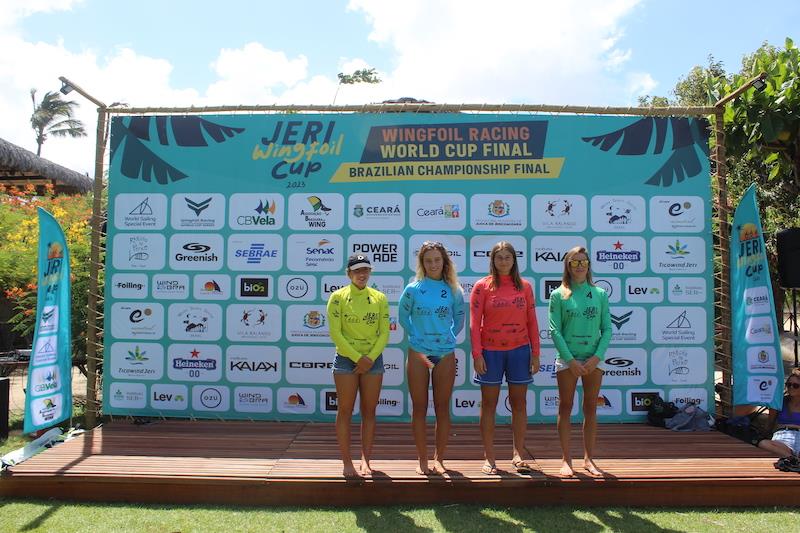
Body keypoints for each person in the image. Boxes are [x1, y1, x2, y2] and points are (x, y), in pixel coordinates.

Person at [470, 241, 540, 475]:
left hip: (519, 351)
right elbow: (474, 323)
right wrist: (477, 354)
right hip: (490, 352)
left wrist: (536, 354)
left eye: (507, 257)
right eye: (499, 257)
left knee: (519, 404)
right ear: (492, 260)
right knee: (489, 405)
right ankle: (489, 458)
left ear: (514, 260)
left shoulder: (526, 286)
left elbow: (532, 321)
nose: (503, 261)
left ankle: (518, 454)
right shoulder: (482, 286)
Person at [399, 240, 465, 475]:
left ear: (444, 261)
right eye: (428, 261)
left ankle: (440, 459)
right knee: (419, 408)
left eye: (437, 260)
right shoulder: (413, 289)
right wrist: (417, 337)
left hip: (445, 354)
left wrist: (447, 337)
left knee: (442, 407)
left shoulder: (454, 290)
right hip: (418, 353)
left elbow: (459, 319)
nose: (433, 264)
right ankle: (422, 459)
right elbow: (402, 317)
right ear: (422, 263)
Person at [548, 245, 611, 478]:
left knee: (590, 408)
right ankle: (566, 460)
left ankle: (589, 459)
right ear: (567, 265)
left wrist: (597, 357)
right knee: (565, 407)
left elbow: (607, 329)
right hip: (568, 360)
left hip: (594, 359)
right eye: (574, 262)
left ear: (589, 265)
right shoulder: (558, 294)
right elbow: (555, 331)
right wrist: (570, 360)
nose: (579, 266)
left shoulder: (600, 294)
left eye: (583, 262)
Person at [326, 253, 390, 477]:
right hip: (346, 359)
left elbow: (384, 334)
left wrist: (369, 358)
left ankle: (366, 460)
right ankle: (346, 462)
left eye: (365, 270)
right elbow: (336, 333)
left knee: (369, 412)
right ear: (348, 273)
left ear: (370, 272)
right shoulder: (337, 297)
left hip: (372, 359)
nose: (362, 274)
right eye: (357, 270)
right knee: (345, 410)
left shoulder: (380, 297)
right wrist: (357, 358)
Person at [758, 368, 800, 458]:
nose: (791, 387)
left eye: (796, 385)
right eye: (789, 385)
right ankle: (793, 459)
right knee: (763, 444)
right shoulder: (780, 401)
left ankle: (792, 459)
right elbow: (770, 422)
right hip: (783, 437)